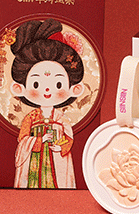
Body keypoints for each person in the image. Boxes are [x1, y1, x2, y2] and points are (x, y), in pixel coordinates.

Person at [9, 19, 86, 188]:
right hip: (34, 161)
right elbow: (23, 139)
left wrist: (61, 148)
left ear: (74, 89)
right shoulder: (30, 118)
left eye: (58, 84)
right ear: (19, 88)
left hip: (56, 160)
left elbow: (69, 138)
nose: (47, 90)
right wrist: (40, 140)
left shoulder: (61, 118)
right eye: (36, 84)